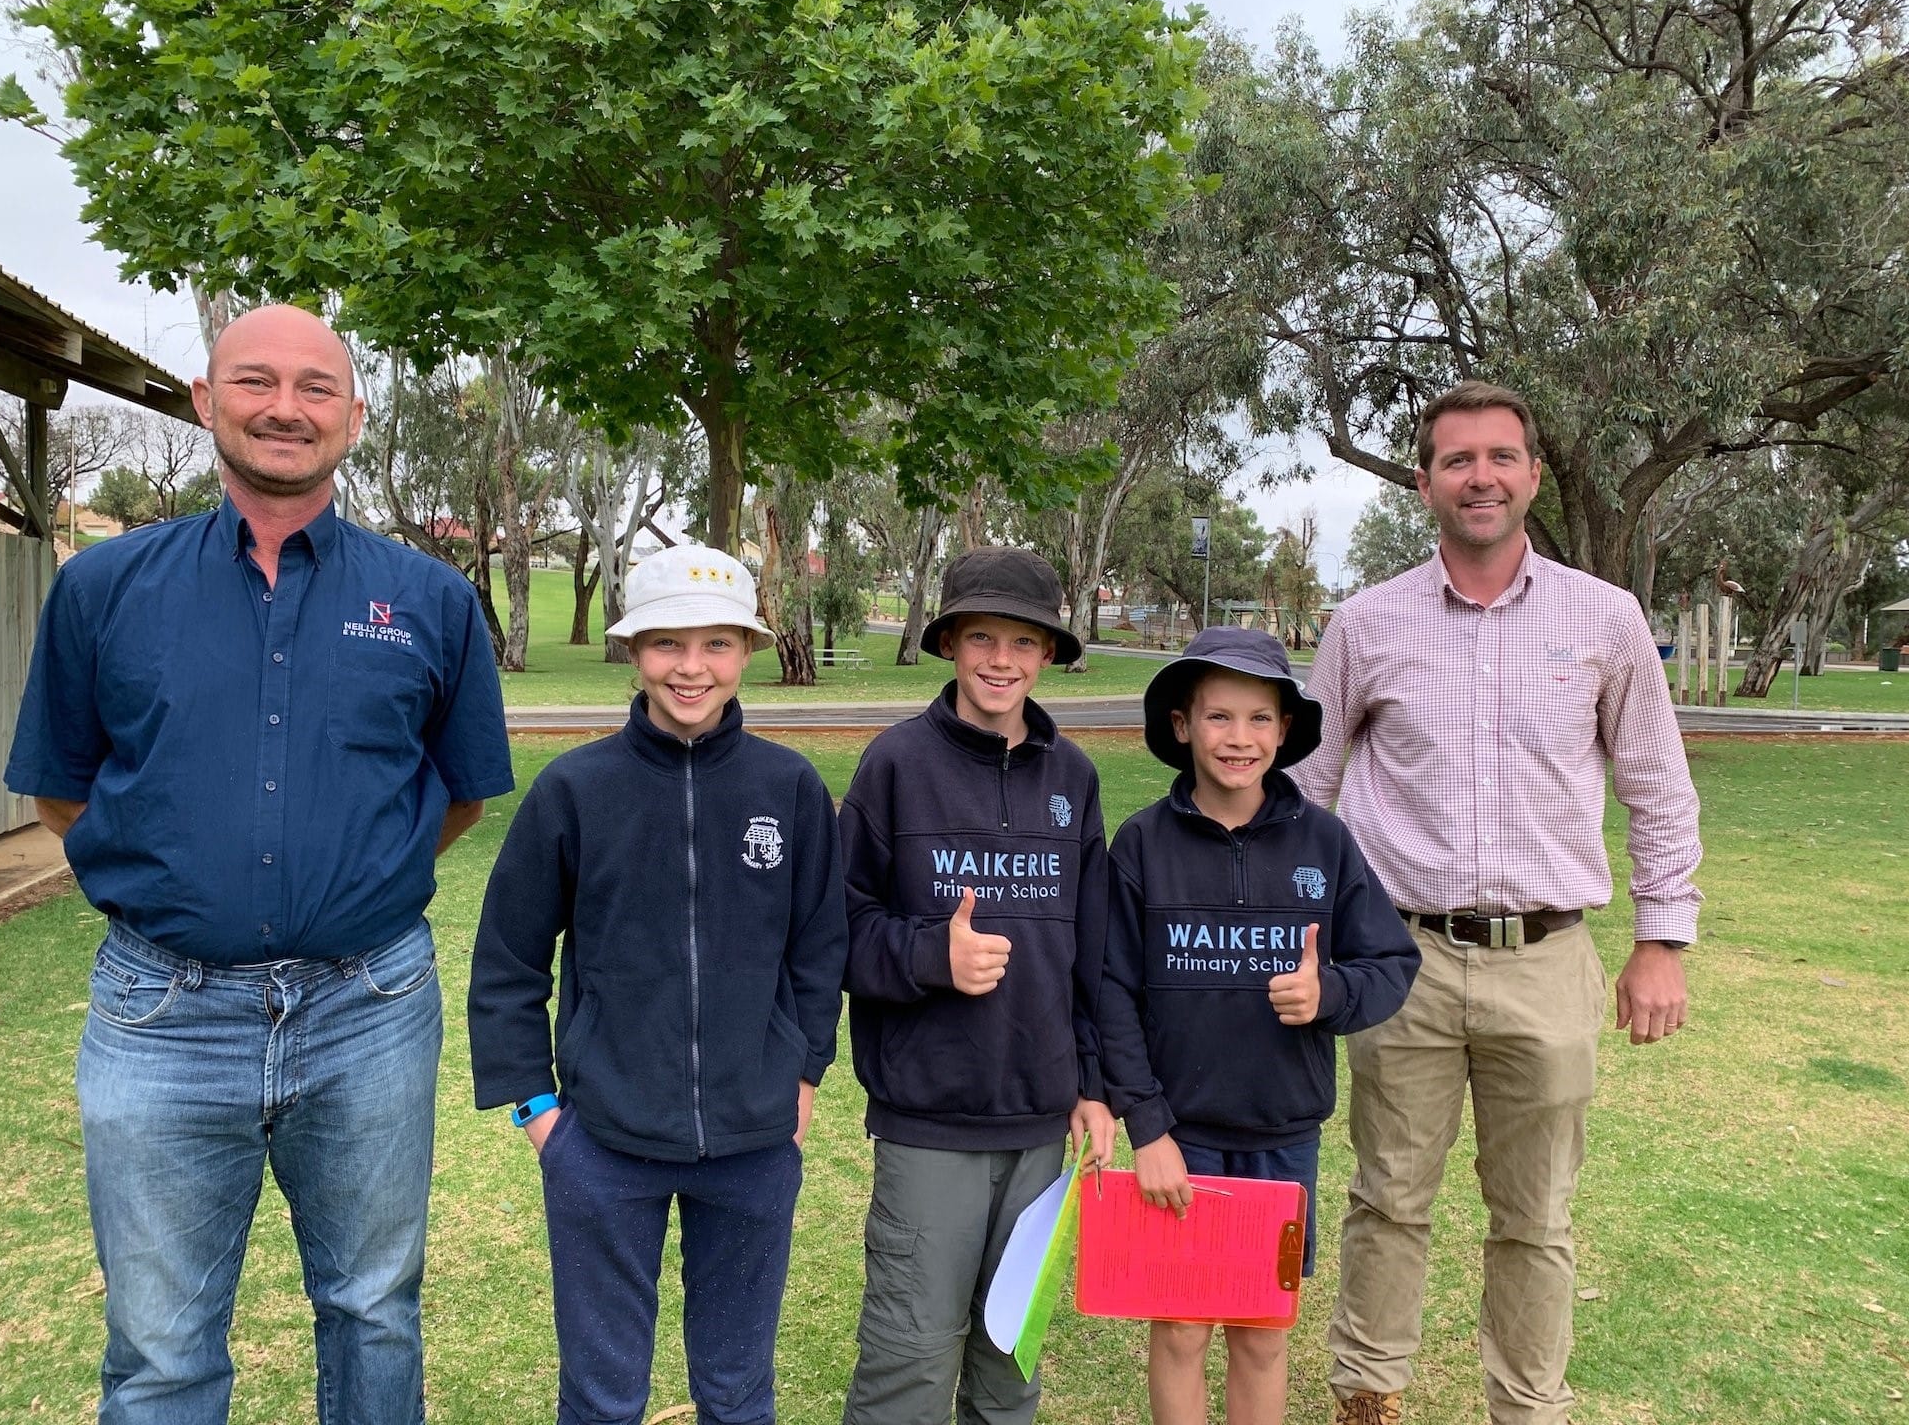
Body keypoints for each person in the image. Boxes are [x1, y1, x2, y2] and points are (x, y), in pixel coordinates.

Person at [2, 303, 514, 1424]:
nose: (286, 407)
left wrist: (355, 881)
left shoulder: (429, 598)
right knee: (160, 1343)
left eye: (315, 388)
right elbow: (60, 783)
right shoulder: (105, 588)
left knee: (375, 1307)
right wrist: (182, 886)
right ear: (204, 400)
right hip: (160, 1013)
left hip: (369, 1006)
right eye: (256, 382)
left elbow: (462, 791)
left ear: (354, 417)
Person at [1288, 380, 1703, 1425]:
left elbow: (1658, 787)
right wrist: (1298, 931)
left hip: (1548, 961)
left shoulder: (1603, 621)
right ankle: (1367, 1395)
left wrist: (1664, 940)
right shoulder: (1366, 623)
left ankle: (1528, 1408)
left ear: (1532, 475)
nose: (1481, 477)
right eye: (1458, 460)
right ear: (1424, 481)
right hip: (1398, 962)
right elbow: (1306, 790)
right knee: (1387, 1199)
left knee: (1537, 1217)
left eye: (1501, 458)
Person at [466, 544, 848, 1425]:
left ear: (746, 651)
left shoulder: (787, 788)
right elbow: (508, 960)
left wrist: (803, 1071)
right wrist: (536, 1109)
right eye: (668, 643)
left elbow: (819, 948)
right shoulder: (574, 789)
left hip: (754, 1147)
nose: (691, 667)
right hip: (602, 1146)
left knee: (738, 1390)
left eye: (716, 644)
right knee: (602, 1399)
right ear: (633, 651)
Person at [1097, 628, 1420, 1425]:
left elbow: (1391, 962)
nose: (1238, 739)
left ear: (1283, 731)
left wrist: (1329, 995)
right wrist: (1148, 1127)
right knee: (1178, 1329)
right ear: (1182, 726)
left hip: (1281, 1133)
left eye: (1258, 719)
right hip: (1180, 1136)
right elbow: (1110, 992)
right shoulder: (1142, 845)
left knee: (1262, 1332)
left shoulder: (1325, 843)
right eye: (1217, 717)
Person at [840, 546, 1117, 1425]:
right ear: (952, 643)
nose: (1002, 660)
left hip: (1041, 1128)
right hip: (930, 1124)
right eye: (983, 637)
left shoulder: (1073, 777)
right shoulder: (895, 766)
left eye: (1024, 642)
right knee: (910, 1363)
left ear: (1047, 657)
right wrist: (932, 958)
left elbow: (1096, 954)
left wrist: (1096, 1088)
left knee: (1009, 1368)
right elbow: (838, 935)